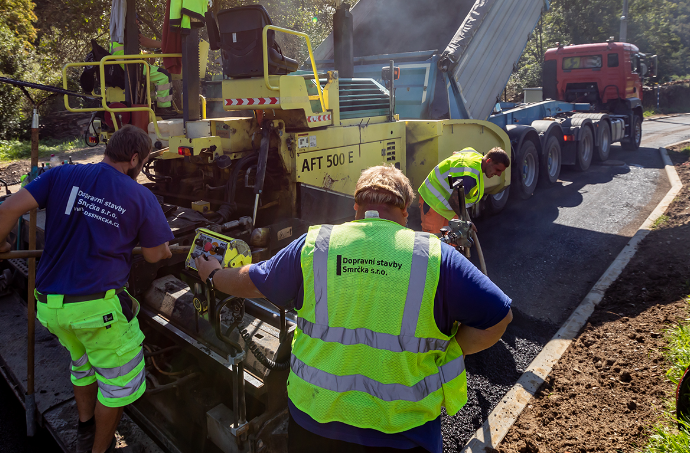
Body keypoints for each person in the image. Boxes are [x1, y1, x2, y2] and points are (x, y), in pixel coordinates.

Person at [196, 165, 512, 453]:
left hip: (315, 424)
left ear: (356, 209)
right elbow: (499, 316)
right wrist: (451, 348)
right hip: (404, 432)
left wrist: (213, 274)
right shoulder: (436, 257)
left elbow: (252, 281)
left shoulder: (315, 245)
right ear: (404, 212)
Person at [0, 125, 174, 453]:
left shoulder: (61, 174)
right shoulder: (141, 196)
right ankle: (99, 449)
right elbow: (157, 255)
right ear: (133, 158)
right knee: (116, 388)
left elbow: (6, 210)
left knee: (82, 362)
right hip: (95, 312)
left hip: (49, 306)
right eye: (142, 162)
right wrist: (164, 248)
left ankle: (85, 424)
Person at [418, 147, 510, 235]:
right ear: (489, 161)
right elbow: (454, 201)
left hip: (447, 205)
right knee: (434, 242)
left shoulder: (474, 154)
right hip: (433, 201)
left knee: (451, 241)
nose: (498, 174)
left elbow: (456, 153)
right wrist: (466, 222)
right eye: (497, 170)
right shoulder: (470, 176)